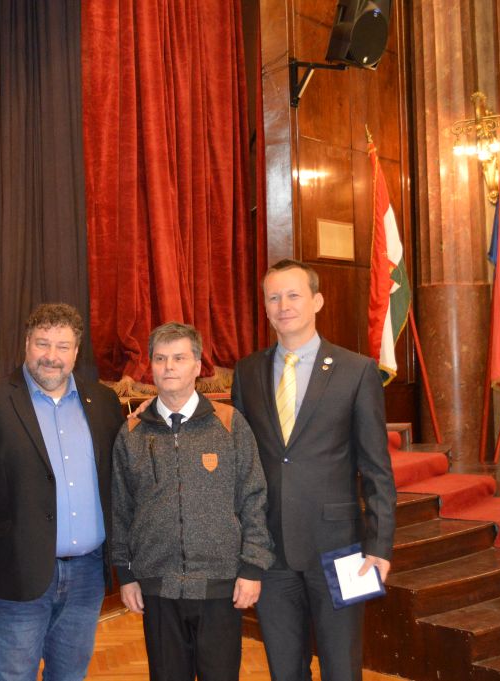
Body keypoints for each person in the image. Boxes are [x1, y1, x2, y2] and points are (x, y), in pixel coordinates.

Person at [231, 259, 396, 681]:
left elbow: (376, 467)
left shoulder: (357, 370)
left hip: (341, 550)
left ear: (317, 301)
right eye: (273, 297)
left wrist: (379, 545)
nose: (283, 305)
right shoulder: (247, 372)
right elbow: (240, 461)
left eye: (293, 295)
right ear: (265, 307)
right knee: (285, 669)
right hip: (270, 550)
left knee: (342, 667)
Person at [112, 322, 274, 681]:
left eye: (179, 358)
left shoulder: (229, 424)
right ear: (151, 366)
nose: (169, 366)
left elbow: (254, 497)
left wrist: (252, 568)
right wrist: (126, 574)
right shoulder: (132, 432)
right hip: (158, 585)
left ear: (198, 366)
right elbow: (121, 508)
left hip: (220, 583)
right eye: (160, 359)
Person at [0, 303, 125, 681]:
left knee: (70, 675)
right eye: (43, 343)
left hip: (87, 575)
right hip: (15, 573)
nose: (51, 356)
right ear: (26, 344)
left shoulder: (104, 403)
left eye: (62, 346)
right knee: (11, 676)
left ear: (76, 352)